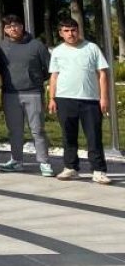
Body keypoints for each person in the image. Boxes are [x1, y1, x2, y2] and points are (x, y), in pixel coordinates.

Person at [49, 17, 112, 184]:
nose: (71, 34)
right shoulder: (57, 51)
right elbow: (54, 76)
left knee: (93, 136)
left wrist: (104, 98)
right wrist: (52, 98)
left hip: (90, 100)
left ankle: (98, 170)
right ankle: (71, 168)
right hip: (64, 99)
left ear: (78, 30)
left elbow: (103, 74)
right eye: (67, 31)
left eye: (73, 30)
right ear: (61, 33)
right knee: (68, 136)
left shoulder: (92, 48)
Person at [0, 14, 53, 176]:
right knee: (15, 130)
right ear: (5, 30)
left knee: (38, 130)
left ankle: (44, 162)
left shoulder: (37, 45)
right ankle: (17, 161)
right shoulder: (0, 47)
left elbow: (48, 68)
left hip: (33, 93)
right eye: (9, 26)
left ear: (22, 26)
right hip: (10, 94)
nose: (14, 28)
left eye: (16, 25)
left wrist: (35, 80)